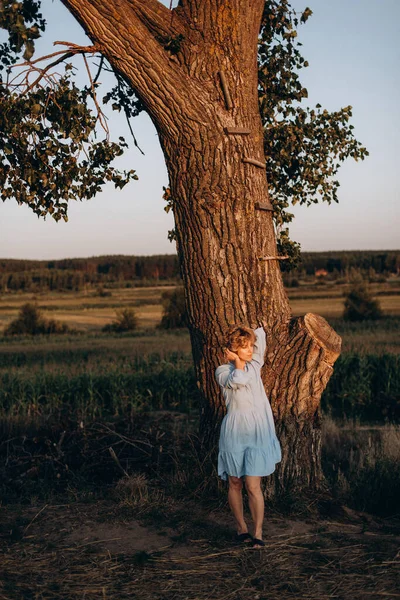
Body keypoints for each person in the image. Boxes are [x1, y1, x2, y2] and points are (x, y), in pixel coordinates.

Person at [215, 324, 282, 548]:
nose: (251, 350)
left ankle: (258, 532)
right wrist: (236, 361)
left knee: (253, 485)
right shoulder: (223, 371)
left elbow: (261, 334)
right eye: (245, 347)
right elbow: (237, 380)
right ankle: (241, 528)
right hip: (234, 431)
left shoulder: (255, 366)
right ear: (233, 350)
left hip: (256, 430)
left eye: (251, 346)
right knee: (235, 482)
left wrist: (247, 333)